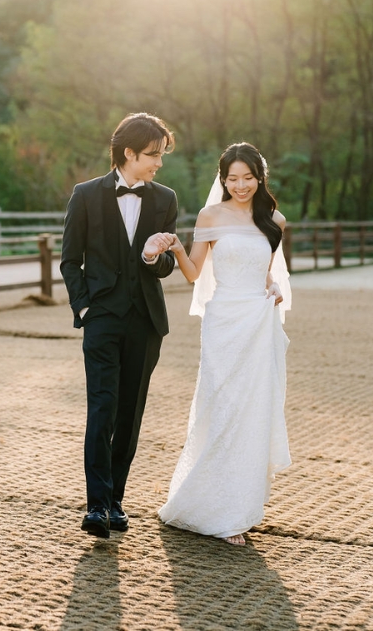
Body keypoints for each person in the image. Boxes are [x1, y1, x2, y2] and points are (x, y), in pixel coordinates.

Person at [144, 141, 292, 546]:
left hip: (257, 321)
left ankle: (238, 509)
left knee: (250, 412)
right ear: (222, 179)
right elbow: (194, 275)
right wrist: (174, 246)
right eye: (232, 179)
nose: (240, 186)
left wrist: (274, 285)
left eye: (247, 178)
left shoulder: (273, 220)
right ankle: (210, 505)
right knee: (222, 407)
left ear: (259, 177)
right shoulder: (211, 215)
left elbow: (265, 271)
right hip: (224, 322)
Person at [60, 112, 179, 539]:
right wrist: (85, 309)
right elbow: (70, 261)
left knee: (130, 414)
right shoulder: (85, 195)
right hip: (102, 321)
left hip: (146, 322)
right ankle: (96, 506)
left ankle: (116, 501)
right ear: (128, 153)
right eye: (153, 155)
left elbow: (166, 264)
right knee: (103, 408)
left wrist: (153, 257)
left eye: (161, 156)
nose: (158, 164)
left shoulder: (166, 200)